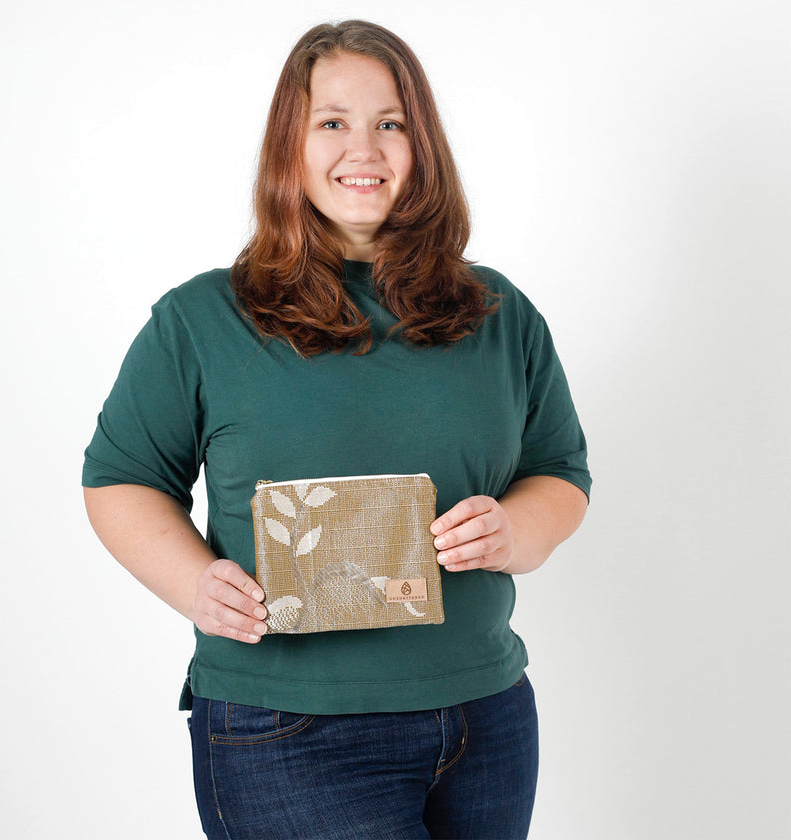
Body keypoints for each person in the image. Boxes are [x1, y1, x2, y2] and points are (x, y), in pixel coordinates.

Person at [83, 19, 590, 840]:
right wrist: (192, 584)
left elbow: (560, 469)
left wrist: (514, 529)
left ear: (422, 145)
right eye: (333, 122)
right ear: (291, 144)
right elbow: (121, 479)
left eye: (391, 123)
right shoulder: (200, 319)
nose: (366, 148)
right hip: (288, 733)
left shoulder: (499, 313)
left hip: (488, 718)